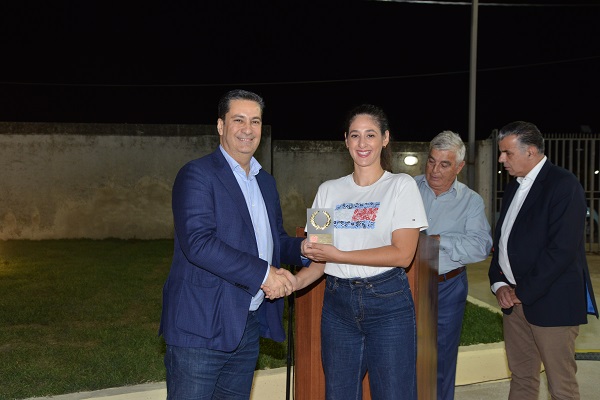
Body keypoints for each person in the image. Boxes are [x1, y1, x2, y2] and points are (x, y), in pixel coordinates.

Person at [267, 104, 428, 400]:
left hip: (388, 304)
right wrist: (295, 282)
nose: (362, 143)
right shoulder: (328, 190)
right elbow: (319, 258)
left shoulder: (401, 186)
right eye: (355, 135)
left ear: (385, 138)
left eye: (370, 135)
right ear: (346, 140)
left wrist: (338, 255)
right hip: (337, 306)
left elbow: (402, 255)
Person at [159, 89, 306, 399]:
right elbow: (198, 243)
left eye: (255, 121)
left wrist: (304, 249)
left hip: (246, 325)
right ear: (220, 125)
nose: (247, 129)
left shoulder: (265, 181)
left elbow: (274, 240)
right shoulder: (197, 174)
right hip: (200, 327)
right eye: (238, 119)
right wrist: (265, 275)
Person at [488, 121, 598, 400]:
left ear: (531, 151)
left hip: (552, 303)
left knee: (561, 386)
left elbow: (561, 250)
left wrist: (522, 292)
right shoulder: (514, 187)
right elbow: (502, 242)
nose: (501, 159)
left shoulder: (563, 185)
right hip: (514, 303)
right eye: (501, 152)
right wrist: (499, 283)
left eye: (507, 153)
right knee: (522, 379)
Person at [414, 130, 493, 400]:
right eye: (431, 161)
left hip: (446, 288)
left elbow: (481, 246)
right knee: (400, 353)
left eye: (444, 164)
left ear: (459, 167)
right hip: (405, 284)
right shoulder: (407, 188)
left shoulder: (471, 201)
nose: (434, 170)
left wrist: (439, 240)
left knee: (442, 359)